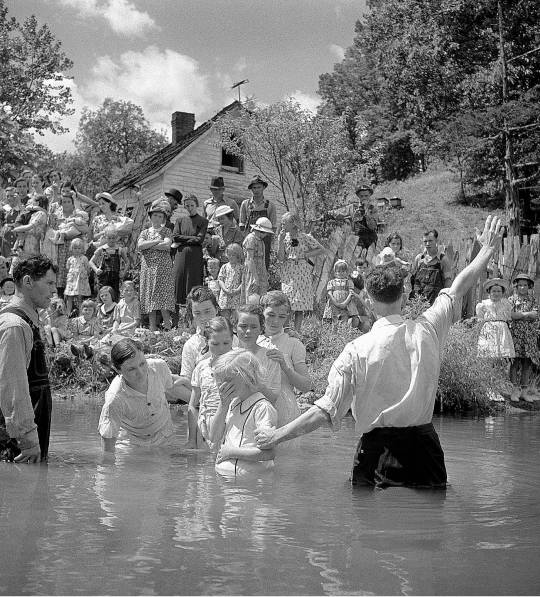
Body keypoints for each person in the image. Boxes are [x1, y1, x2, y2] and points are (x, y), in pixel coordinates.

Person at [255, 215, 504, 489]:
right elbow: (458, 287)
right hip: (426, 450)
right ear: (405, 296)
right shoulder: (429, 328)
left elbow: (324, 412)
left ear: (369, 303)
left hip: (377, 453)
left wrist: (275, 436)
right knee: (429, 525)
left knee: (372, 525)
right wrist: (488, 250)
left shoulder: (355, 350)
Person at [0, 255, 58, 462]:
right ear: (27, 282)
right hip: (16, 445)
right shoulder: (15, 326)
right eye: (49, 283)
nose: (54, 291)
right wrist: (28, 440)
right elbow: (13, 388)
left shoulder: (29, 321)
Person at [98, 339, 188, 452]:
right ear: (118, 370)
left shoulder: (159, 367)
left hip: (165, 440)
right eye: (131, 369)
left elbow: (173, 388)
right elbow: (108, 445)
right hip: (131, 447)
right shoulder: (115, 398)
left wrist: (200, 404)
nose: (140, 372)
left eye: (142, 363)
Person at [209, 349, 278, 477]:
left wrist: (231, 452)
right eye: (220, 380)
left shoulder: (262, 408)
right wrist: (223, 405)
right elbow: (213, 437)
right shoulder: (232, 403)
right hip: (229, 485)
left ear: (247, 376)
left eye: (228, 379)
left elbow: (269, 453)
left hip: (251, 487)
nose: (222, 385)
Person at [257, 291, 312, 426]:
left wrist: (286, 367)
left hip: (285, 411)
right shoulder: (252, 340)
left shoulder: (294, 343)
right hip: (255, 408)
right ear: (261, 312)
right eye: (270, 315)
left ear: (288, 316)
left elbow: (306, 386)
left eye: (281, 316)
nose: (276, 321)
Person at [187, 316, 235, 448]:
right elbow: (193, 406)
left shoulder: (240, 366)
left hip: (232, 427)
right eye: (215, 344)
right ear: (206, 342)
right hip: (204, 429)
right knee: (203, 467)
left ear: (232, 339)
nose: (221, 349)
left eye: (226, 343)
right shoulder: (202, 368)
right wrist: (191, 440)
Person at [276, 211, 326, 330]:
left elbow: (321, 249)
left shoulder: (304, 237)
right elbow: (280, 258)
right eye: (282, 223)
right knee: (287, 302)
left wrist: (306, 254)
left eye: (285, 223)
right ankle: (286, 330)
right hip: (288, 272)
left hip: (302, 272)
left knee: (300, 303)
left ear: (293, 223)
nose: (282, 225)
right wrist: (280, 241)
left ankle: (297, 333)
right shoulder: (283, 237)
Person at [137, 199, 175, 332]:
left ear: (164, 218)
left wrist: (150, 244)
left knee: (163, 297)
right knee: (150, 298)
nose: (157, 218)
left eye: (160, 216)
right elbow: (140, 245)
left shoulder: (167, 231)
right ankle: (152, 328)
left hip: (162, 268)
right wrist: (156, 241)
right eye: (155, 215)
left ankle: (168, 327)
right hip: (148, 268)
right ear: (151, 217)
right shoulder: (145, 232)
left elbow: (166, 245)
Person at [508, 273, 540, 402]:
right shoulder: (511, 300)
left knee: (527, 363)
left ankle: (524, 392)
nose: (522, 287)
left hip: (529, 336)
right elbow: (511, 315)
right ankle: (514, 390)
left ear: (529, 286)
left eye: (525, 285)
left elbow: (535, 315)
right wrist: (526, 315)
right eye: (520, 285)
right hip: (515, 335)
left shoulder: (533, 300)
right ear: (516, 286)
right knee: (514, 363)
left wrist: (520, 314)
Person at [172, 194, 208, 307]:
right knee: (179, 279)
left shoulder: (203, 221)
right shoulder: (179, 220)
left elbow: (199, 239)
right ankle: (177, 316)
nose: (190, 207)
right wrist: (192, 238)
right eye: (187, 205)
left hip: (195, 255)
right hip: (181, 255)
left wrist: (183, 239)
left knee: (193, 280)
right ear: (184, 206)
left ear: (196, 205)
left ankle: (193, 311)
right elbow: (175, 236)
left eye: (192, 205)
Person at [239, 175, 277, 271]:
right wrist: (246, 239)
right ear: (251, 189)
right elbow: (242, 224)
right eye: (254, 188)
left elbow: (273, 227)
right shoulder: (246, 204)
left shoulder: (270, 205)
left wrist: (269, 242)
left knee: (264, 266)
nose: (256, 190)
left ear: (263, 187)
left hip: (265, 240)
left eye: (259, 187)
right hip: (250, 238)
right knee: (248, 266)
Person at [410, 229, 453, 305]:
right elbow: (413, 280)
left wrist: (446, 301)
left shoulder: (443, 260)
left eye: (430, 241)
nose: (427, 244)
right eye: (425, 241)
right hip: (418, 303)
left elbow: (448, 283)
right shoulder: (419, 258)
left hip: (435, 304)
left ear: (436, 241)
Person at [476, 278, 514, 359]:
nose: (496, 293)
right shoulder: (483, 304)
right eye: (493, 291)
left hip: (502, 330)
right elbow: (480, 319)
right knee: (488, 354)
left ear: (502, 292)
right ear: (489, 292)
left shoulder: (506, 304)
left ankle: (500, 369)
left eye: (499, 291)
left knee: (502, 354)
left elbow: (508, 317)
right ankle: (490, 370)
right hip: (489, 329)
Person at [89, 227, 128, 299]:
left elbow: (127, 262)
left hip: (115, 277)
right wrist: (96, 270)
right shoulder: (101, 249)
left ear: (116, 238)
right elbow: (91, 262)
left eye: (113, 238)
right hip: (103, 277)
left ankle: (115, 309)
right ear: (105, 238)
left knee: (115, 295)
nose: (111, 240)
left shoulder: (120, 250)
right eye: (109, 238)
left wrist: (123, 272)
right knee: (102, 295)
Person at [241, 216, 274, 303]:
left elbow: (262, 260)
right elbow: (249, 259)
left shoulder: (261, 241)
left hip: (261, 272)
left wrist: (264, 275)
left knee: (262, 299)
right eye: (264, 232)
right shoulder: (251, 238)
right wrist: (255, 278)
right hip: (253, 272)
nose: (266, 235)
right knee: (252, 299)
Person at [323, 260, 357, 324]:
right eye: (338, 271)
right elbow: (330, 293)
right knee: (334, 317)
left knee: (345, 317)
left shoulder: (349, 282)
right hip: (334, 303)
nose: (341, 273)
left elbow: (351, 293)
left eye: (343, 271)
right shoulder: (332, 282)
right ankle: (334, 332)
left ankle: (343, 331)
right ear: (335, 272)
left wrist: (345, 303)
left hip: (346, 303)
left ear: (347, 272)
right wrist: (336, 303)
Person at [64, 237, 92, 316]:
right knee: (69, 297)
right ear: (71, 249)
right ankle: (68, 313)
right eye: (75, 248)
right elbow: (68, 268)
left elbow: (87, 268)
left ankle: (81, 314)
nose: (77, 250)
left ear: (82, 249)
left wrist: (86, 275)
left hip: (80, 280)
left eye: (79, 248)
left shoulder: (84, 258)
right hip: (72, 281)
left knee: (80, 298)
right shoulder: (70, 259)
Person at [217, 243, 243, 320]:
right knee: (225, 316)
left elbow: (243, 281)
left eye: (233, 255)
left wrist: (238, 290)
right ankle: (226, 329)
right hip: (225, 294)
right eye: (229, 254)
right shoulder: (224, 267)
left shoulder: (242, 267)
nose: (231, 257)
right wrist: (224, 289)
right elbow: (220, 279)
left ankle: (236, 330)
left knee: (237, 315)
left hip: (237, 294)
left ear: (238, 256)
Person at [352, 184, 378, 253]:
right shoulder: (353, 208)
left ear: (370, 195)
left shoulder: (373, 209)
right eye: (361, 196)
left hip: (371, 241)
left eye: (366, 196)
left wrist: (366, 210)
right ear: (358, 196)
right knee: (358, 262)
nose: (364, 198)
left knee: (369, 262)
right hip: (358, 241)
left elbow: (372, 227)